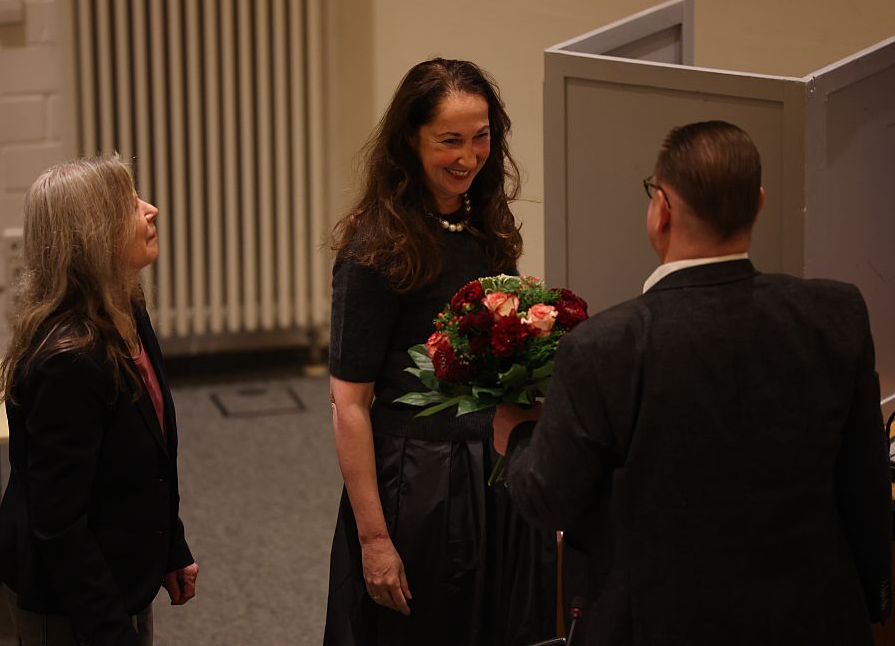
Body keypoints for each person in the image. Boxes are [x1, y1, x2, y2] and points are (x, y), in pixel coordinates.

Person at [494, 120, 892, 645]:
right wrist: (868, 604)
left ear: (663, 208)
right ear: (760, 202)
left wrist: (517, 437)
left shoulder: (605, 347)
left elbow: (550, 500)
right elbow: (863, 484)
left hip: (661, 622)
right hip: (813, 617)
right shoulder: (835, 313)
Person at [324, 58, 556, 646]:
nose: (468, 157)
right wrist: (375, 541)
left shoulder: (485, 225)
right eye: (449, 141)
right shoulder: (375, 250)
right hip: (418, 484)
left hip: (491, 472)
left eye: (481, 138)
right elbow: (349, 406)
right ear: (410, 139)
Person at [0, 155, 198, 645]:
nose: (150, 210)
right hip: (73, 603)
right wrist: (110, 633)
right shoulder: (70, 361)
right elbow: (58, 524)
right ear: (93, 233)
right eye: (130, 206)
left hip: (119, 578)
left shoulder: (127, 306)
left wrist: (170, 546)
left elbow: (151, 451)